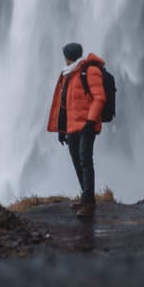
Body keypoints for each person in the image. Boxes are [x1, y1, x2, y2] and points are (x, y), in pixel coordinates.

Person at [47, 42, 107, 218]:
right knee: (77, 161)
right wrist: (62, 129)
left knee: (85, 161)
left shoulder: (89, 71)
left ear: (67, 56)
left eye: (64, 55)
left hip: (87, 126)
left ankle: (89, 203)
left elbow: (100, 98)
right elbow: (65, 105)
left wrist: (90, 122)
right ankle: (85, 197)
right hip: (72, 127)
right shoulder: (68, 74)